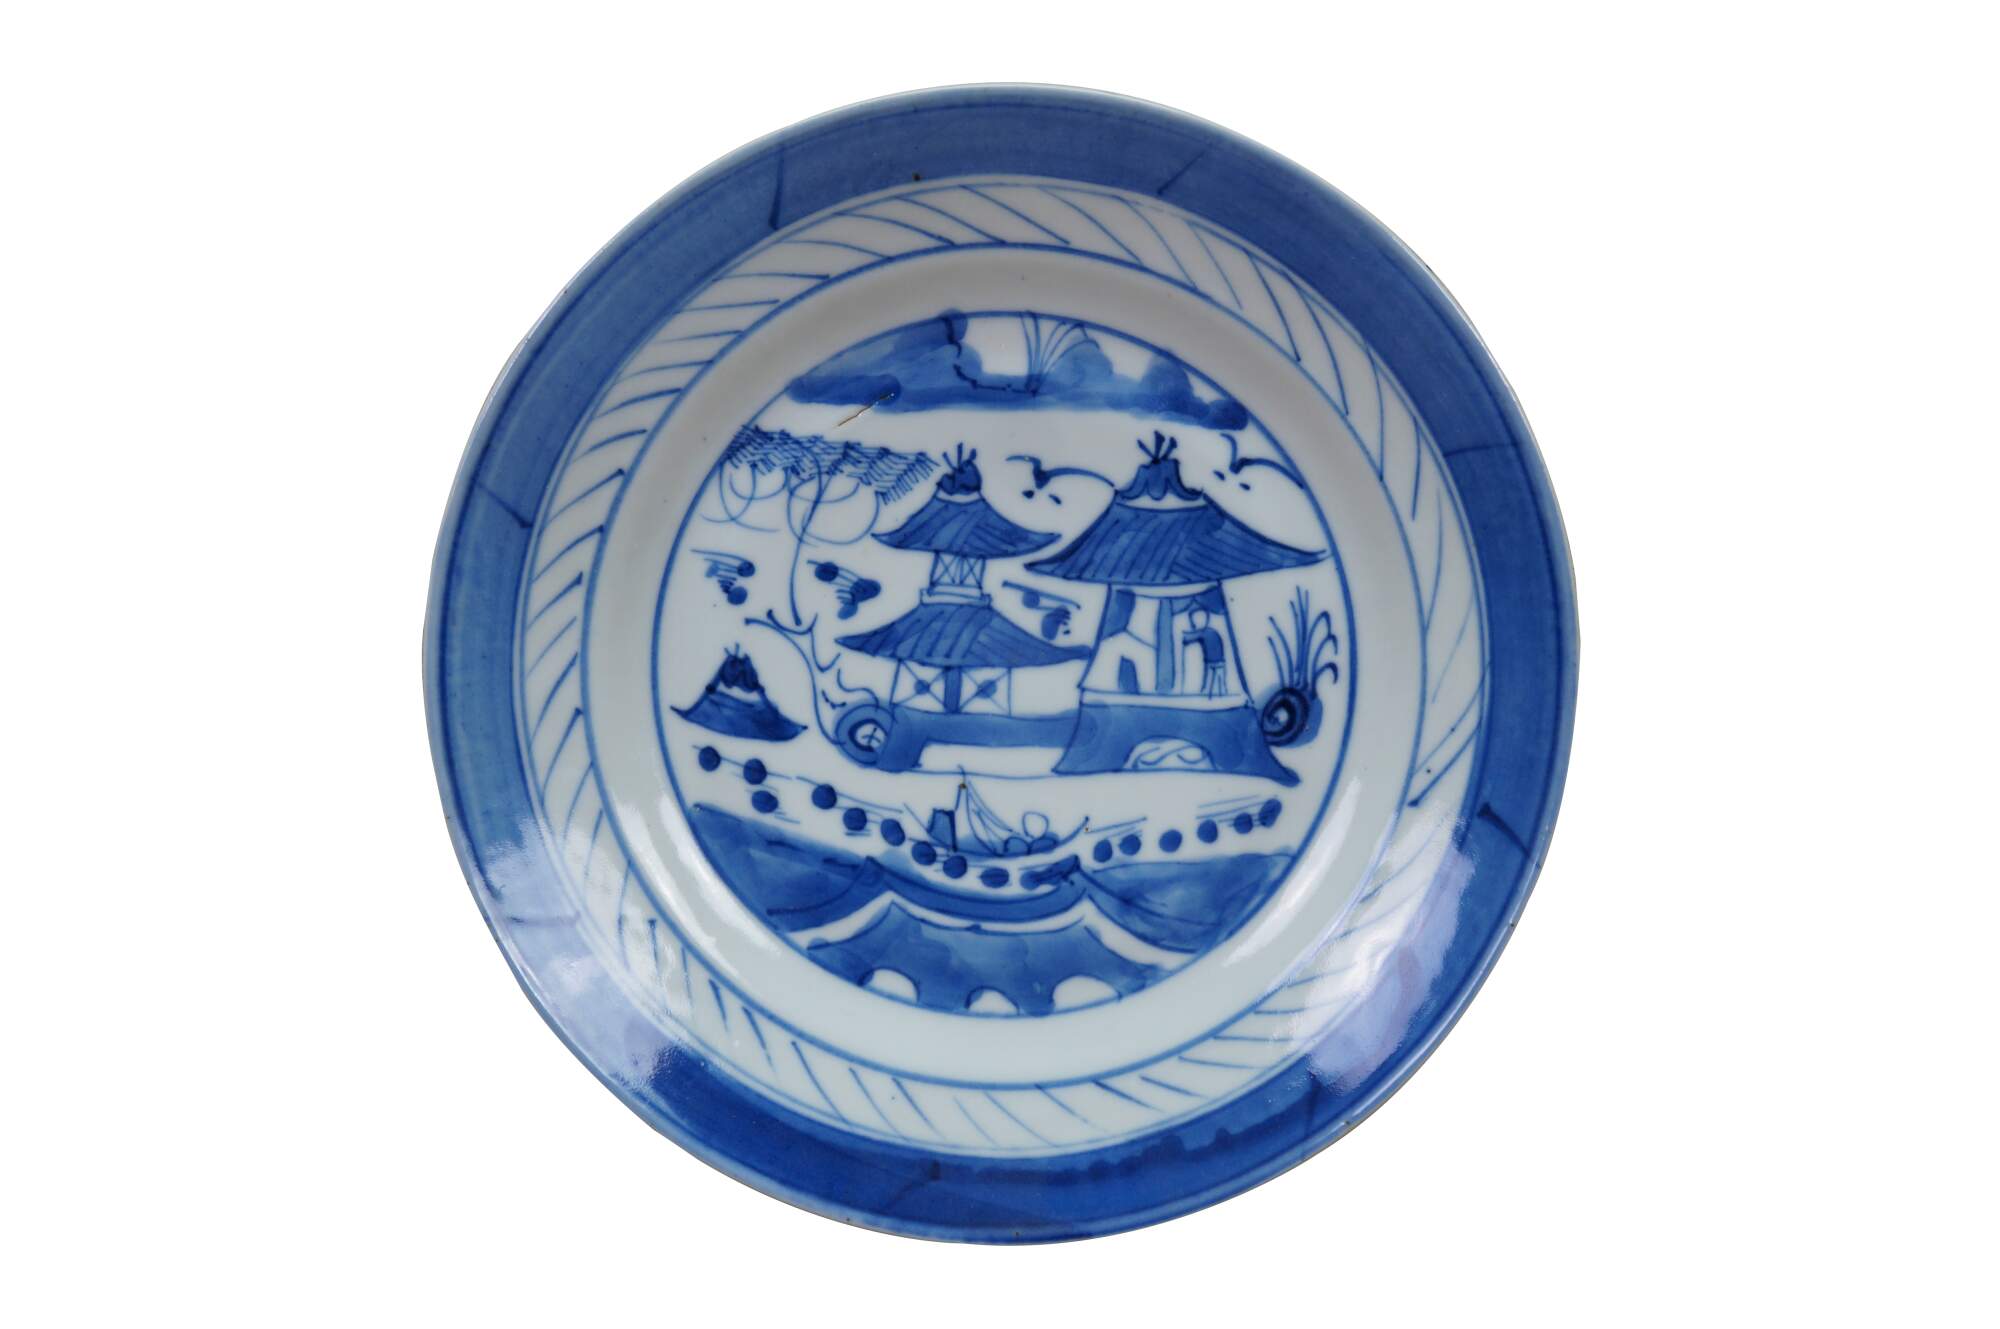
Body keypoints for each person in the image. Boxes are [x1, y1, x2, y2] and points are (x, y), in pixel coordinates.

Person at [1182, 609, 1228, 697]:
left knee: (1208, 680)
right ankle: (1222, 692)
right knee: (1220, 680)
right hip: (1221, 661)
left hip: (1211, 662)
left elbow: (1188, 638)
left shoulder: (1204, 632)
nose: (1193, 624)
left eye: (1193, 622)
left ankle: (1206, 692)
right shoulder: (1211, 631)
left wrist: (1184, 637)